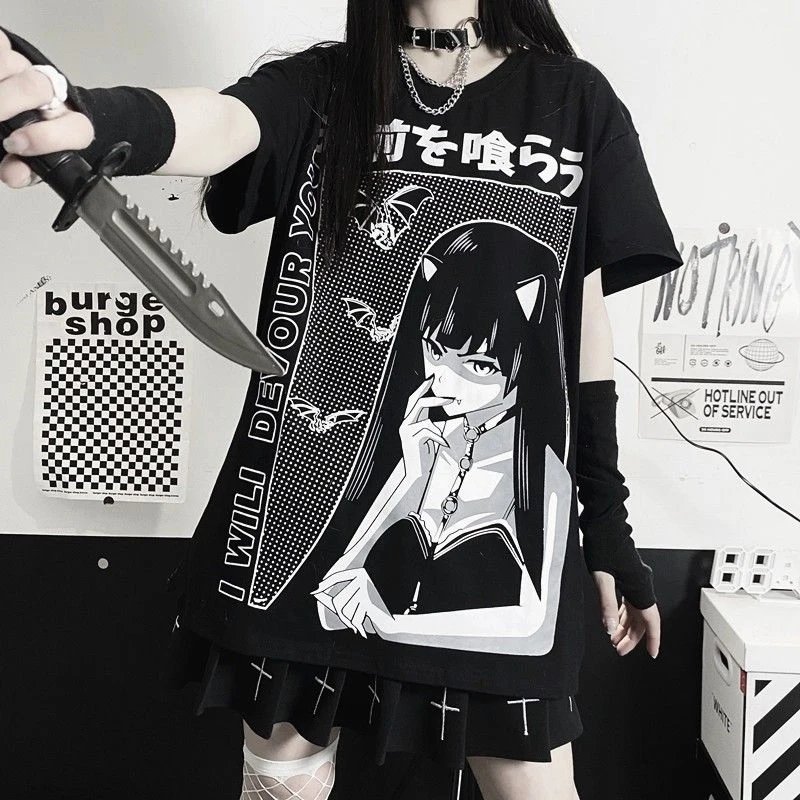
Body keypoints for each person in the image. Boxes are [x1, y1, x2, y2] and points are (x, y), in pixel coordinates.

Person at [0, 1, 677, 797]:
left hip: (496, 570)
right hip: (301, 540)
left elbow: (580, 341)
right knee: (281, 783)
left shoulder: (572, 101)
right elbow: (221, 123)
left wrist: (608, 529)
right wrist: (86, 115)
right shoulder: (328, 83)